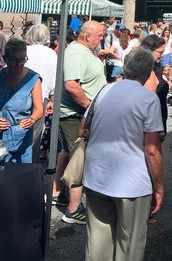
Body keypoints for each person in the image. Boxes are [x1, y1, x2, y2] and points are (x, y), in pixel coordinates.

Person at [83, 48, 164, 261]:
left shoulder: (104, 90)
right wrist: (159, 186)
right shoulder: (148, 98)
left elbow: (84, 128)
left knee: (97, 245)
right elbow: (152, 150)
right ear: (149, 72)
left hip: (97, 175)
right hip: (132, 182)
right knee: (129, 247)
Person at [56, 21, 107, 224]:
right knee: (80, 158)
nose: (101, 38)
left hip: (78, 114)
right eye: (100, 36)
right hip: (75, 115)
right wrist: (89, 107)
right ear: (87, 37)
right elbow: (71, 85)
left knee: (69, 153)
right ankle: (73, 209)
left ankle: (58, 193)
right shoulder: (77, 53)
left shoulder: (84, 51)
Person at [0, 38, 43, 163]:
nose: (20, 64)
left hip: (21, 138)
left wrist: (32, 119)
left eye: (23, 59)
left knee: (19, 177)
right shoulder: (1, 76)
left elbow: (39, 109)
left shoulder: (33, 79)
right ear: (5, 58)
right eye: (15, 60)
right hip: (1, 137)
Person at [24, 24, 58, 163]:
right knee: (35, 134)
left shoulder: (24, 50)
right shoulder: (50, 53)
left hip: (20, 94)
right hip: (41, 96)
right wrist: (52, 98)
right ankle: (29, 166)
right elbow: (54, 78)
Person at [141, 35, 169, 135]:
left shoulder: (157, 66)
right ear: (149, 50)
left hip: (159, 116)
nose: (162, 55)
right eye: (160, 52)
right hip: (150, 121)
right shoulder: (144, 70)